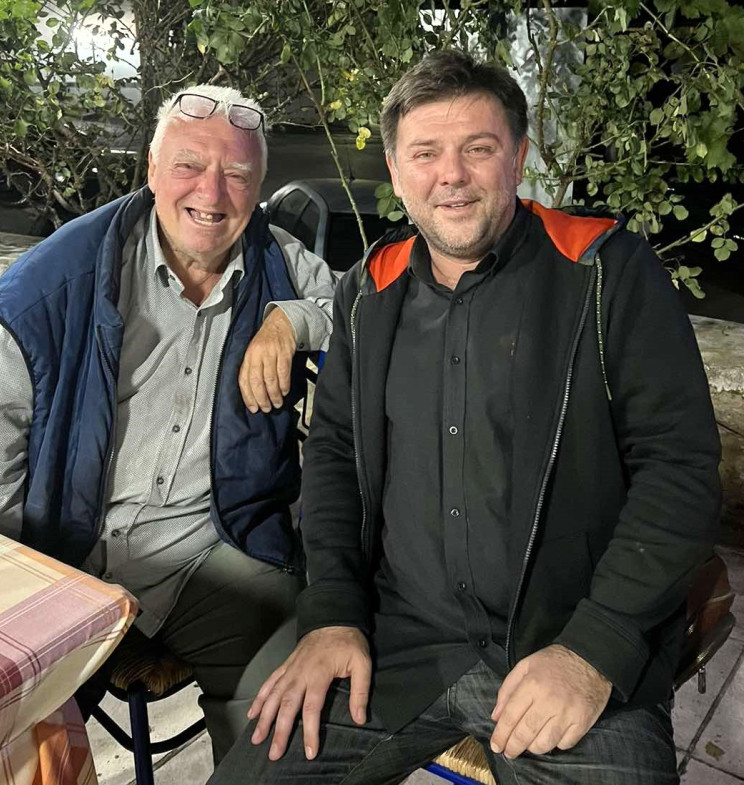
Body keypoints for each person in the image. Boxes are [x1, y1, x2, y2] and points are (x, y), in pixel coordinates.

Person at [211, 50, 722, 784]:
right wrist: (331, 612)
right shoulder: (368, 292)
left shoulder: (606, 272)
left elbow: (679, 469)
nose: (450, 175)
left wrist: (597, 645)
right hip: (398, 642)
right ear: (396, 172)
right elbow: (334, 457)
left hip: (566, 641)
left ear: (516, 158)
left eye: (477, 149)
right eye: (425, 154)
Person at [0, 84, 337, 761]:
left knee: (293, 720)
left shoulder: (279, 264)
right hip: (65, 555)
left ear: (258, 189)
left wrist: (292, 319)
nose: (212, 193)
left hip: (213, 550)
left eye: (237, 174)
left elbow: (357, 309)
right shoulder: (57, 283)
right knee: (0, 743)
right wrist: (13, 605)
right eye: (189, 165)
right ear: (152, 170)